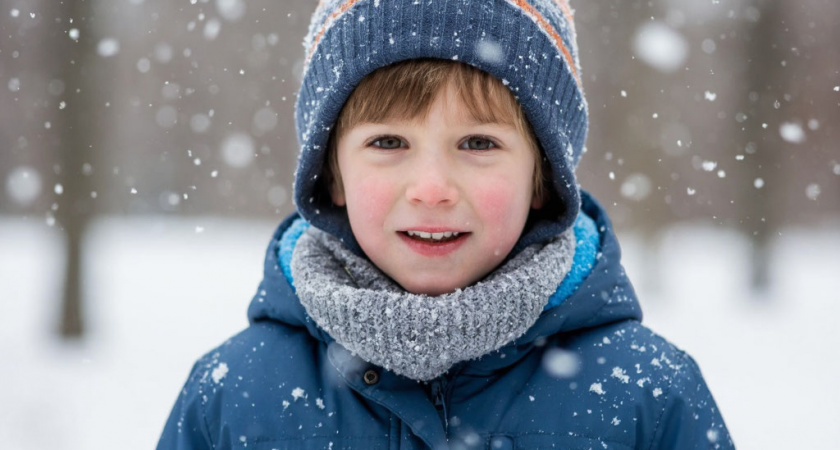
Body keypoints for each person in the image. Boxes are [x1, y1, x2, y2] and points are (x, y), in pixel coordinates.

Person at [158, 0, 734, 448]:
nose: (432, 188)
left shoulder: (647, 396)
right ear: (330, 174)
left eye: (478, 142)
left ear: (543, 178)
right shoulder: (233, 396)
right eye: (388, 141)